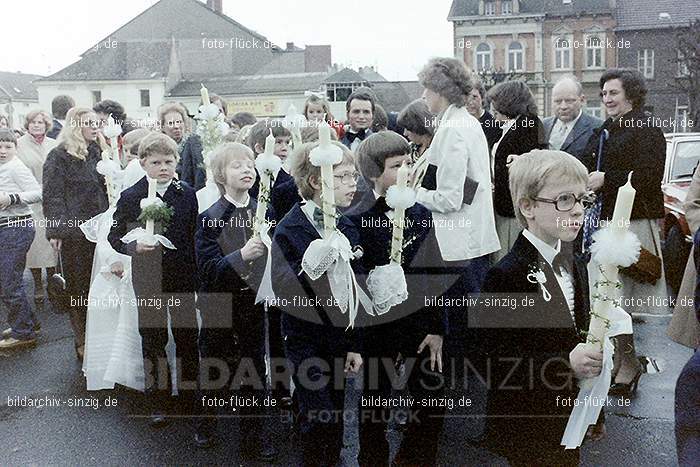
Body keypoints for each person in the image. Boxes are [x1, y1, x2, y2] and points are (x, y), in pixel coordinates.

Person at [476, 149, 602, 466]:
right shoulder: (507, 275)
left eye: (582, 200)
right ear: (528, 207)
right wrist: (563, 363)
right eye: (564, 200)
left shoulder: (575, 261)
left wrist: (595, 409)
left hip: (570, 416)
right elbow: (491, 361)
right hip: (527, 423)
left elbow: (584, 336)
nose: (577, 211)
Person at [347, 131, 447, 466]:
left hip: (419, 322)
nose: (405, 170)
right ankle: (372, 459)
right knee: (375, 402)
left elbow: (434, 272)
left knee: (432, 396)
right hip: (378, 324)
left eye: (408, 162)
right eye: (395, 166)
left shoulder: (420, 213)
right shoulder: (357, 215)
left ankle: (414, 459)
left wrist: (437, 329)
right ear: (373, 173)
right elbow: (354, 278)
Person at [271, 141, 364, 466]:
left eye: (353, 175)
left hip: (338, 337)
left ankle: (333, 458)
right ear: (315, 181)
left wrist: (354, 344)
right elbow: (282, 288)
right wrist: (310, 265)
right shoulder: (290, 228)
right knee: (317, 413)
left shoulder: (348, 225)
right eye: (342, 176)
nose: (353, 183)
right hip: (304, 337)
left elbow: (352, 292)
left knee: (337, 411)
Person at [582, 68, 667, 395]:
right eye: (603, 94)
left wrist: (608, 178)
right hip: (605, 220)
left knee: (623, 297)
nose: (607, 99)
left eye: (613, 93)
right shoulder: (606, 127)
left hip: (632, 221)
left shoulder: (646, 127)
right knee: (608, 295)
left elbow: (648, 176)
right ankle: (621, 360)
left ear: (631, 95)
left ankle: (629, 363)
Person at [108, 132, 200, 428]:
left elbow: (193, 233)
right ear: (143, 162)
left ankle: (189, 395)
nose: (164, 167)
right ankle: (158, 399)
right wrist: (132, 247)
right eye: (156, 162)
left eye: (169, 161)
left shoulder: (185, 192)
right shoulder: (132, 195)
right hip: (149, 276)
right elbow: (115, 235)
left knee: (187, 335)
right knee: (153, 336)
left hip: (182, 273)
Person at [195, 142, 277, 459]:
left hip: (252, 304)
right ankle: (206, 423)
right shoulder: (210, 217)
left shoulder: (264, 209)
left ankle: (253, 438)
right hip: (218, 304)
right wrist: (241, 256)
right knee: (214, 366)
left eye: (250, 164)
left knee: (253, 369)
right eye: (236, 165)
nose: (246, 170)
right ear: (220, 175)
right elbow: (207, 269)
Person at [416, 57, 500, 346]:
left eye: (426, 89)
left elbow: (450, 198)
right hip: (473, 240)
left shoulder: (452, 129)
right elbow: (471, 185)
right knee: (470, 326)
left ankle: (461, 387)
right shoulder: (468, 122)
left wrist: (413, 195)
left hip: (458, 246)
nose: (423, 96)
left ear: (440, 90)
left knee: (460, 332)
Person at [43, 108, 109, 360]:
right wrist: (56, 230)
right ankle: (82, 339)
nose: (95, 127)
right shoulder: (58, 156)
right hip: (75, 232)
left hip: (102, 228)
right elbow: (52, 194)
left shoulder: (98, 152)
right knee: (79, 287)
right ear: (74, 126)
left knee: (101, 285)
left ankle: (103, 336)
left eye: (97, 123)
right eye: (89, 124)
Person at [488, 80, 548, 260]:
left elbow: (538, 162)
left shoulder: (530, 124)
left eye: (497, 105)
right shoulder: (508, 127)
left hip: (516, 210)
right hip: (504, 206)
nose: (494, 111)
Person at [0, 129, 41, 350]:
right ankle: (27, 322)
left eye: (8, 146)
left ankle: (23, 333)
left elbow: (38, 192)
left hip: (16, 228)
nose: (3, 151)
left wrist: (11, 198)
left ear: (16, 148)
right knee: (8, 281)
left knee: (9, 283)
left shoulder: (16, 167)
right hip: (5, 228)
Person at [16, 110, 58, 305]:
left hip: (51, 197)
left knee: (50, 242)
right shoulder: (19, 145)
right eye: (33, 122)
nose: (37, 125)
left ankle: (51, 280)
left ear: (46, 124)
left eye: (40, 122)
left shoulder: (53, 144)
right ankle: (37, 284)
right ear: (27, 124)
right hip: (29, 199)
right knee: (33, 245)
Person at [544, 76, 603, 160]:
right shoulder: (543, 126)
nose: (563, 106)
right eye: (558, 101)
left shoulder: (598, 128)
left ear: (582, 100)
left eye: (569, 101)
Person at [158, 102, 205, 190]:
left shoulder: (193, 144)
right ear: (163, 127)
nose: (176, 126)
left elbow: (199, 173)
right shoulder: (159, 148)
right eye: (171, 123)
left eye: (179, 122)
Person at [246, 118, 293, 199]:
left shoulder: (289, 181)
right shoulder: (248, 178)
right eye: (278, 142)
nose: (284, 148)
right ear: (259, 148)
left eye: (287, 142)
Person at [466, 80, 502, 152]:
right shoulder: (460, 122)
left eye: (474, 97)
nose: (470, 102)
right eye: (467, 97)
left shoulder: (493, 124)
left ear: (482, 98)